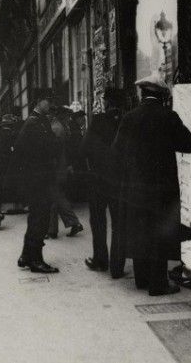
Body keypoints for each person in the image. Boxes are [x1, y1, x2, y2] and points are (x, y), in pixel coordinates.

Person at [112, 74, 191, 296]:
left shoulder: (129, 118)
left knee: (140, 230)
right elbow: (190, 144)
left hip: (135, 188)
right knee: (158, 232)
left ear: (143, 94)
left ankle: (141, 279)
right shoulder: (168, 117)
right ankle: (158, 284)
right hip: (161, 188)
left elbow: (116, 152)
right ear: (162, 96)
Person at [7, 91, 60, 273]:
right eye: (49, 100)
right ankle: (36, 260)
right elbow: (44, 148)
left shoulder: (38, 121)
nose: (51, 104)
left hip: (38, 178)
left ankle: (26, 255)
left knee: (35, 218)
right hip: (38, 179)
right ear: (39, 101)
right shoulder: (34, 123)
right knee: (40, 218)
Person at [81, 88, 125, 275]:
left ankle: (100, 260)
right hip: (120, 180)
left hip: (98, 180)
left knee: (98, 221)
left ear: (107, 102)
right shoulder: (126, 121)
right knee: (119, 223)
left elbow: (84, 149)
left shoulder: (98, 121)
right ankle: (117, 267)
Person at [47, 106, 83, 239]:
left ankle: (52, 230)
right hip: (61, 167)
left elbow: (54, 151)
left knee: (54, 197)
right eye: (67, 116)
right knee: (57, 197)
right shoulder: (62, 127)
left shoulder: (56, 128)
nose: (69, 119)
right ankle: (69, 224)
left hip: (56, 168)